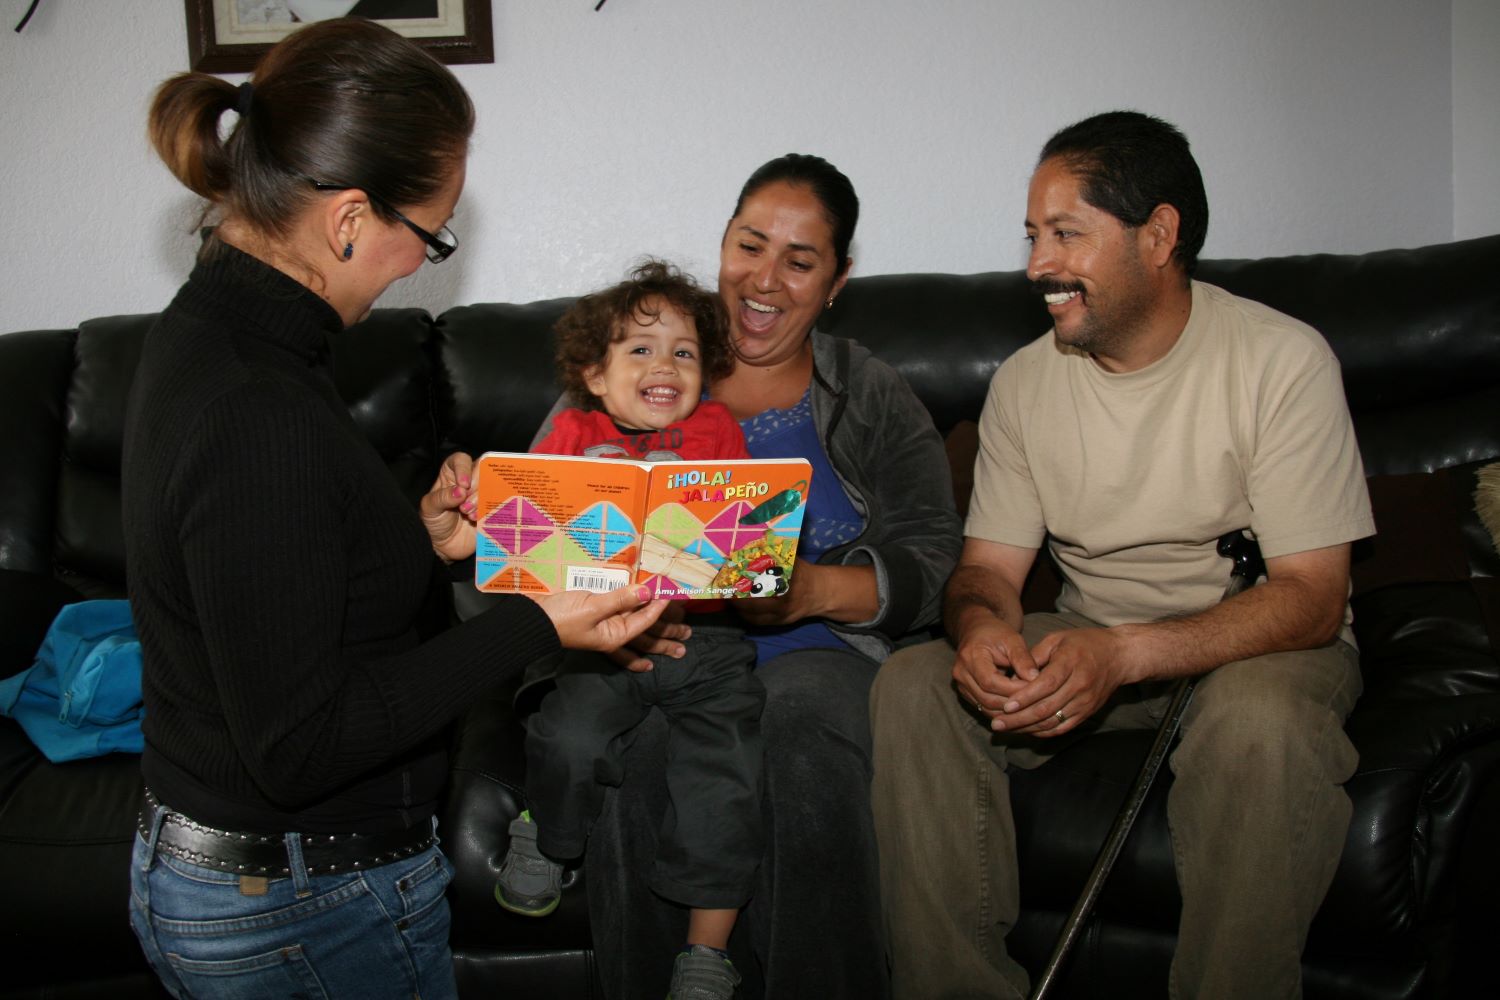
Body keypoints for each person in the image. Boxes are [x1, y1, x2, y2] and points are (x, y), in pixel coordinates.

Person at [122, 19, 664, 1000]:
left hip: (271, 885)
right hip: (301, 907)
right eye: (429, 233)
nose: (421, 263)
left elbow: (269, 578)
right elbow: (300, 744)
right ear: (347, 220)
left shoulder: (224, 333)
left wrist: (411, 538)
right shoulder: (254, 402)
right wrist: (537, 622)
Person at [869, 110, 1376, 999]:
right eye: (1032, 235)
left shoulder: (1282, 361)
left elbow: (1312, 599)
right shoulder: (1026, 382)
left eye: (1066, 233)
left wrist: (1127, 653)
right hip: (1093, 632)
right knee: (913, 685)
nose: (1036, 266)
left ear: (1159, 235)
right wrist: (983, 626)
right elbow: (987, 569)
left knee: (1261, 726)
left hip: (1255, 646)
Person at [572, 154, 962, 998]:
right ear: (722, 244)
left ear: (838, 280)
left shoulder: (868, 392)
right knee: (636, 748)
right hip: (658, 649)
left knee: (792, 734)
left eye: (800, 260)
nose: (765, 280)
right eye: (750, 245)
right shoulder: (637, 359)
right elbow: (544, 494)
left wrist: (811, 590)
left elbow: (933, 556)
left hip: (818, 658)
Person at [494, 259, 762, 999]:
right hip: (599, 641)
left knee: (728, 780)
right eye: (639, 350)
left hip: (704, 643)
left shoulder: (718, 430)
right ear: (594, 372)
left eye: (683, 351)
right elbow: (527, 541)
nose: (664, 365)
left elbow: (740, 544)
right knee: (566, 735)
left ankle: (706, 953)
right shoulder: (572, 432)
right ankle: (545, 835)